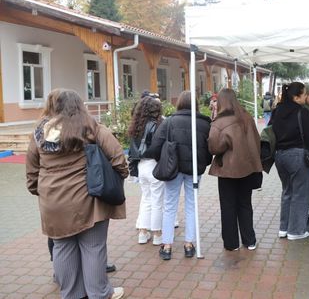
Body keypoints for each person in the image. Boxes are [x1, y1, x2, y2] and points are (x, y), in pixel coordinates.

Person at [26, 89, 127, 299]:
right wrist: (116, 178)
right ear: (79, 105)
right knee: (93, 247)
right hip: (88, 200)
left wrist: (42, 192)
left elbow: (32, 172)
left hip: (53, 203)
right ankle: (99, 293)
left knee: (62, 246)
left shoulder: (39, 133)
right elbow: (118, 158)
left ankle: (72, 294)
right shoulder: (91, 126)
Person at [147, 91, 213, 261]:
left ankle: (167, 245)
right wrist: (202, 163)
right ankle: (189, 244)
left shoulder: (169, 122)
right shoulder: (204, 123)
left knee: (169, 206)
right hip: (195, 170)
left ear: (179, 104)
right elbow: (210, 149)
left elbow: (155, 146)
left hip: (173, 169)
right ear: (196, 104)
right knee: (192, 206)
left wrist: (163, 160)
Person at [208, 88, 263, 251]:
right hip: (248, 168)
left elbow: (214, 147)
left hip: (227, 171)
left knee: (228, 206)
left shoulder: (220, 123)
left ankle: (231, 243)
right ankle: (250, 240)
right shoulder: (247, 117)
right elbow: (257, 141)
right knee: (245, 204)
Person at [270, 82, 309, 240]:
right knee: (300, 193)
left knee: (287, 192)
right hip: (298, 156)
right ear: (296, 97)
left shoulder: (277, 110)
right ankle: (296, 231)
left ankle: (283, 228)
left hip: (279, 156)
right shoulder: (302, 112)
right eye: (304, 94)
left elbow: (270, 132)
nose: (306, 97)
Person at [128, 96, 164, 245]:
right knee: (157, 201)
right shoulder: (158, 125)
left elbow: (132, 149)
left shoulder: (136, 126)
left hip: (141, 166)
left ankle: (143, 232)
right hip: (154, 165)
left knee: (146, 199)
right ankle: (157, 234)